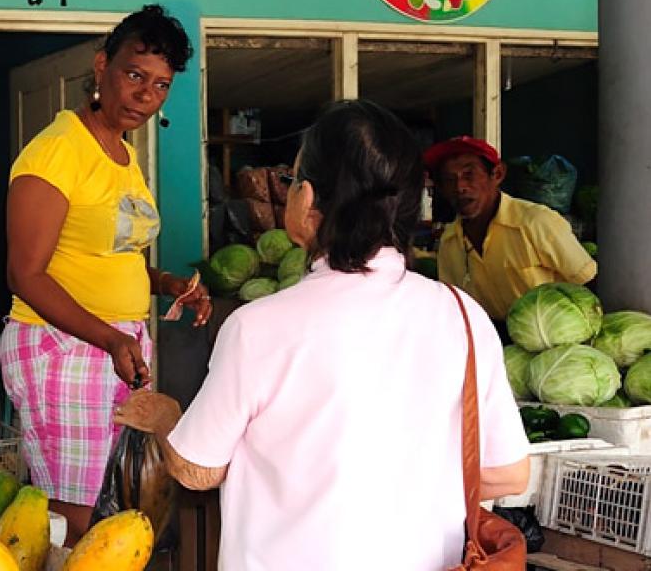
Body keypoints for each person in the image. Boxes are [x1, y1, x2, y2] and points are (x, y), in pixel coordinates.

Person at [119, 100, 529, 570]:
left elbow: (198, 469)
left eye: (292, 181)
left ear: (309, 200)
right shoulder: (462, 316)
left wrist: (169, 417)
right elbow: (507, 472)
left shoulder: (259, 327)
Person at [1, 4, 211, 544]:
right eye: (135, 75)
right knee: (76, 515)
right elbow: (26, 274)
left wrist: (165, 284)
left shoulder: (120, 153)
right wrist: (109, 337)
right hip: (64, 350)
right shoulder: (56, 152)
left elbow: (112, 251)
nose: (146, 94)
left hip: (113, 347)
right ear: (101, 66)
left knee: (117, 500)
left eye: (161, 85)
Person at [429, 136, 597, 322]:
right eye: (448, 179)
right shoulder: (449, 242)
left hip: (557, 336)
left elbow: (589, 283)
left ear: (497, 174)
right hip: (496, 340)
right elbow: (456, 308)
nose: (459, 187)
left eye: (469, 175)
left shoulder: (536, 223)